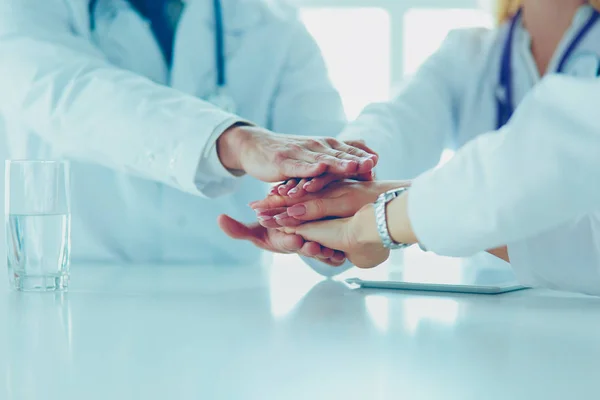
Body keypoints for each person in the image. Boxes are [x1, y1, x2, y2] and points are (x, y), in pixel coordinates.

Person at [234, 0, 600, 295]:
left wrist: (380, 212)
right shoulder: (470, 53)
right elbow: (397, 122)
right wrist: (331, 184)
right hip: (486, 311)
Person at [0, 0, 378, 267]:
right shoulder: (30, 10)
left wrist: (310, 221)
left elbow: (326, 168)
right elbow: (67, 92)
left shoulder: (271, 23)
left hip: (230, 306)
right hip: (80, 289)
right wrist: (236, 141)